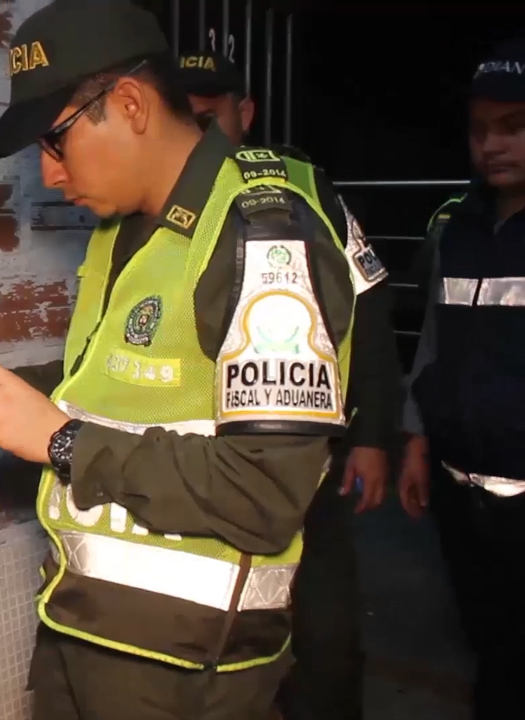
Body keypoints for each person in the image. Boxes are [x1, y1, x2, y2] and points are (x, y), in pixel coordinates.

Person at [0, 1, 356, 717]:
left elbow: (264, 495)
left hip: (188, 663)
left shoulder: (263, 240)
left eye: (56, 141)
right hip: (82, 623)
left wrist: (60, 440)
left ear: (130, 104)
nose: (48, 173)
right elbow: (107, 386)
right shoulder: (124, 231)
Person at [177, 51, 404, 720]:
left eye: (209, 118)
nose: (199, 135)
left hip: (311, 463)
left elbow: (370, 310)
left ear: (244, 113)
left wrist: (372, 437)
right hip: (205, 464)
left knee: (326, 637)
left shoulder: (303, 191)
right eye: (184, 120)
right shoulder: (164, 201)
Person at [398, 39, 525, 720]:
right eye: (480, 129)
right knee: (490, 652)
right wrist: (416, 439)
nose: (491, 145)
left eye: (513, 127)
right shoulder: (457, 228)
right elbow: (433, 341)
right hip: (462, 493)